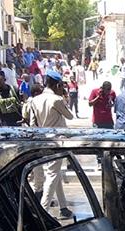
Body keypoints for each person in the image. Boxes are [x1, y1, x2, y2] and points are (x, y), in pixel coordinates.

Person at [28, 70, 74, 218]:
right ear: (57, 85)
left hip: (43, 141)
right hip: (57, 142)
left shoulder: (35, 100)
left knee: (55, 173)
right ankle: (43, 211)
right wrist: (63, 97)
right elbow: (70, 116)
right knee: (52, 175)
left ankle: (63, 207)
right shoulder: (56, 99)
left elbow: (32, 124)